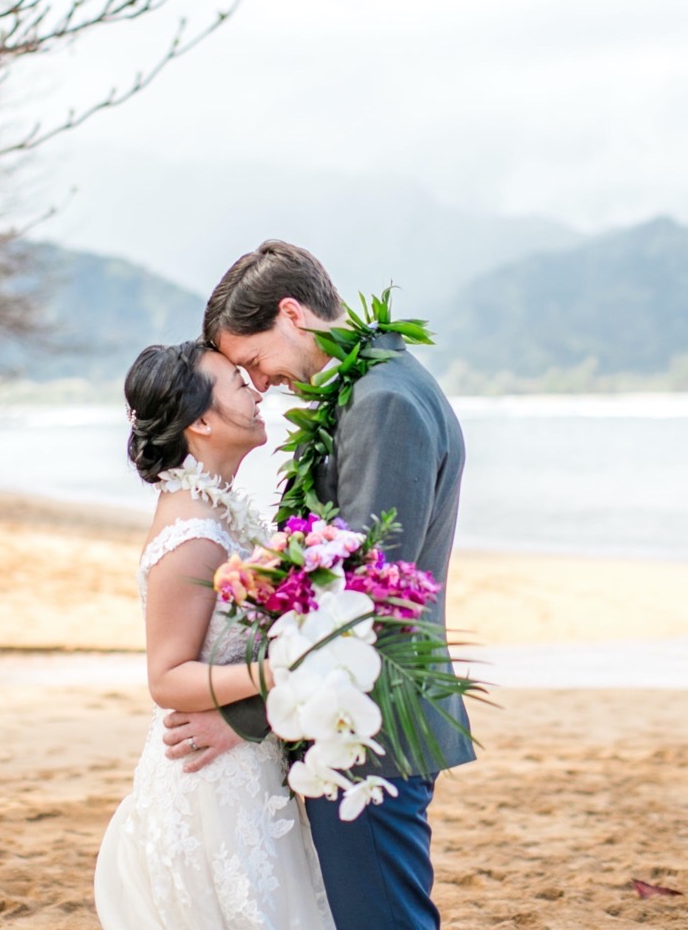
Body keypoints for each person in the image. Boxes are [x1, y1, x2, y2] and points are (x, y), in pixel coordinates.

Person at [161, 240, 475, 930]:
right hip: (349, 711)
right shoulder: (370, 388)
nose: (261, 382)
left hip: (371, 720)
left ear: (292, 314)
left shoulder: (383, 400)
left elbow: (362, 592)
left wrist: (240, 719)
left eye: (253, 361)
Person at [93, 340, 335, 929]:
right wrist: (279, 673)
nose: (256, 391)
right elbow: (167, 677)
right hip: (211, 785)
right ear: (200, 420)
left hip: (245, 767)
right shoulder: (193, 534)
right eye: (236, 381)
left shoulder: (222, 515)